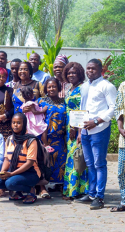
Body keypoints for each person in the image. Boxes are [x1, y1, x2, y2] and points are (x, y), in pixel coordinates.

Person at [76, 59, 116, 210]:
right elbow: (82, 108)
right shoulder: (85, 86)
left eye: (93, 69)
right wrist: (80, 130)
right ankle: (91, 194)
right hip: (86, 130)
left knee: (99, 164)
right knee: (90, 163)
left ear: (100, 70)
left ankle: (99, 197)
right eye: (88, 68)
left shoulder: (107, 86)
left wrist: (97, 121)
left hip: (100, 130)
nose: (90, 71)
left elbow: (113, 108)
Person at [0, 113, 41, 204]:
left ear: (24, 124)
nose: (15, 125)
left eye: (18, 123)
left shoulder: (31, 140)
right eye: (13, 123)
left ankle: (31, 190)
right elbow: (6, 159)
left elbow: (29, 163)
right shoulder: (9, 139)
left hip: (30, 172)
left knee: (10, 183)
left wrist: (11, 174)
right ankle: (18, 192)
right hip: (13, 172)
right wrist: (2, 172)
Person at [36, 77, 67, 198]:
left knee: (60, 161)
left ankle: (59, 184)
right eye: (49, 87)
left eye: (54, 86)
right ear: (45, 89)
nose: (51, 88)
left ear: (58, 88)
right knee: (44, 161)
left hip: (60, 137)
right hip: (45, 137)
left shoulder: (64, 101)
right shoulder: (41, 101)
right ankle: (42, 187)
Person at [62, 62, 88, 200]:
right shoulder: (70, 88)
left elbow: (82, 111)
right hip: (68, 128)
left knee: (77, 157)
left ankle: (77, 191)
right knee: (73, 158)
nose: (71, 75)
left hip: (77, 128)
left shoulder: (82, 88)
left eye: (74, 73)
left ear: (80, 74)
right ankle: (73, 190)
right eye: (69, 73)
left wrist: (77, 130)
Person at [113, 80, 125, 211]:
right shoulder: (123, 85)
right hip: (124, 137)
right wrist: (120, 128)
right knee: (122, 171)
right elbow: (119, 108)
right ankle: (124, 200)